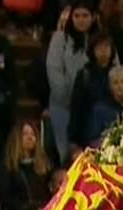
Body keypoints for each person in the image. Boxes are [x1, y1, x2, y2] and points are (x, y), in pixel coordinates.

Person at [46, 0, 98, 163]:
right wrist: (70, 100)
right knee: (68, 156)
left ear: (93, 17)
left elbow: (112, 69)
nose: (81, 20)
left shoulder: (101, 39)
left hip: (93, 107)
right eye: (76, 16)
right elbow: (53, 70)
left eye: (85, 15)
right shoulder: (60, 38)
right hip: (64, 106)